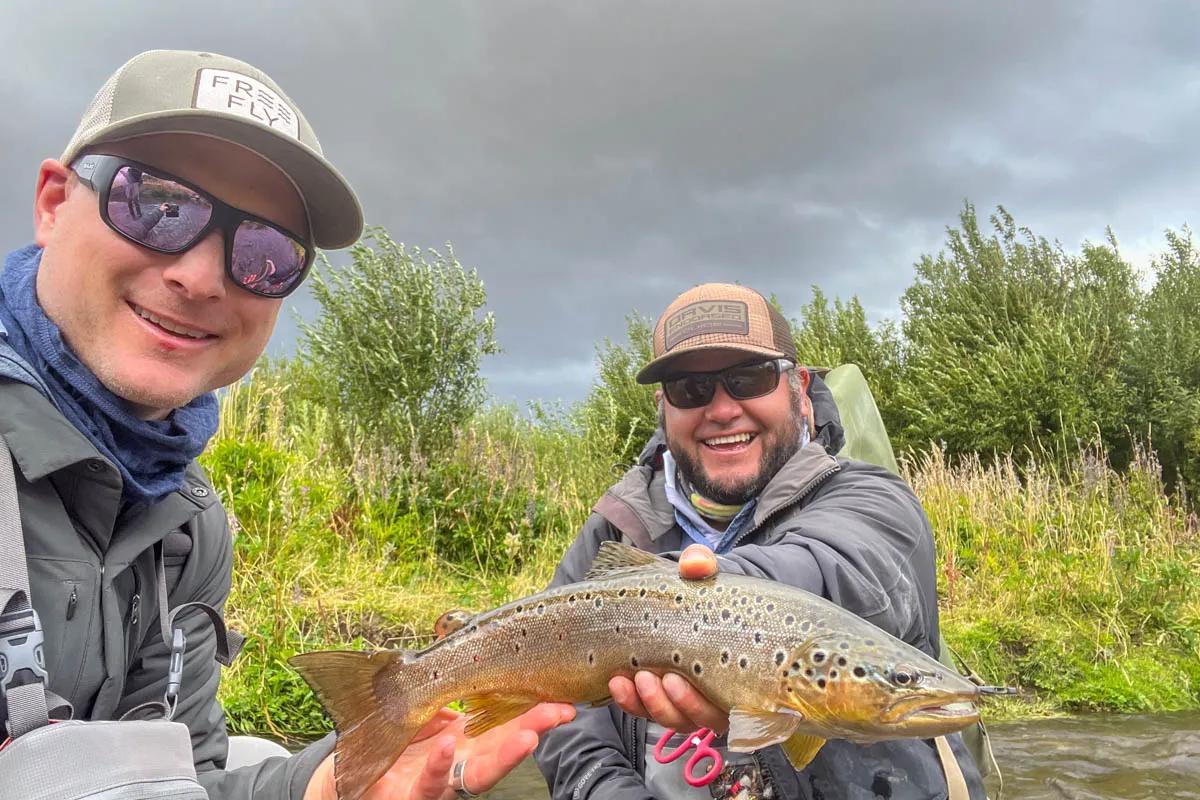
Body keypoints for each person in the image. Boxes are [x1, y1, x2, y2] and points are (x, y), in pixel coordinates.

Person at [0, 48, 596, 800]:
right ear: (54, 202)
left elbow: (188, 785)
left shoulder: (189, 526)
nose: (202, 276)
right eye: (157, 205)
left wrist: (322, 788)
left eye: (264, 251)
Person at [535, 283, 986, 800]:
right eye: (690, 389)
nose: (723, 409)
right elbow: (561, 719)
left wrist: (718, 597)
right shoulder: (614, 528)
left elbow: (828, 573)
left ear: (798, 386)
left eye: (749, 379)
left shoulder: (871, 498)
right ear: (663, 406)